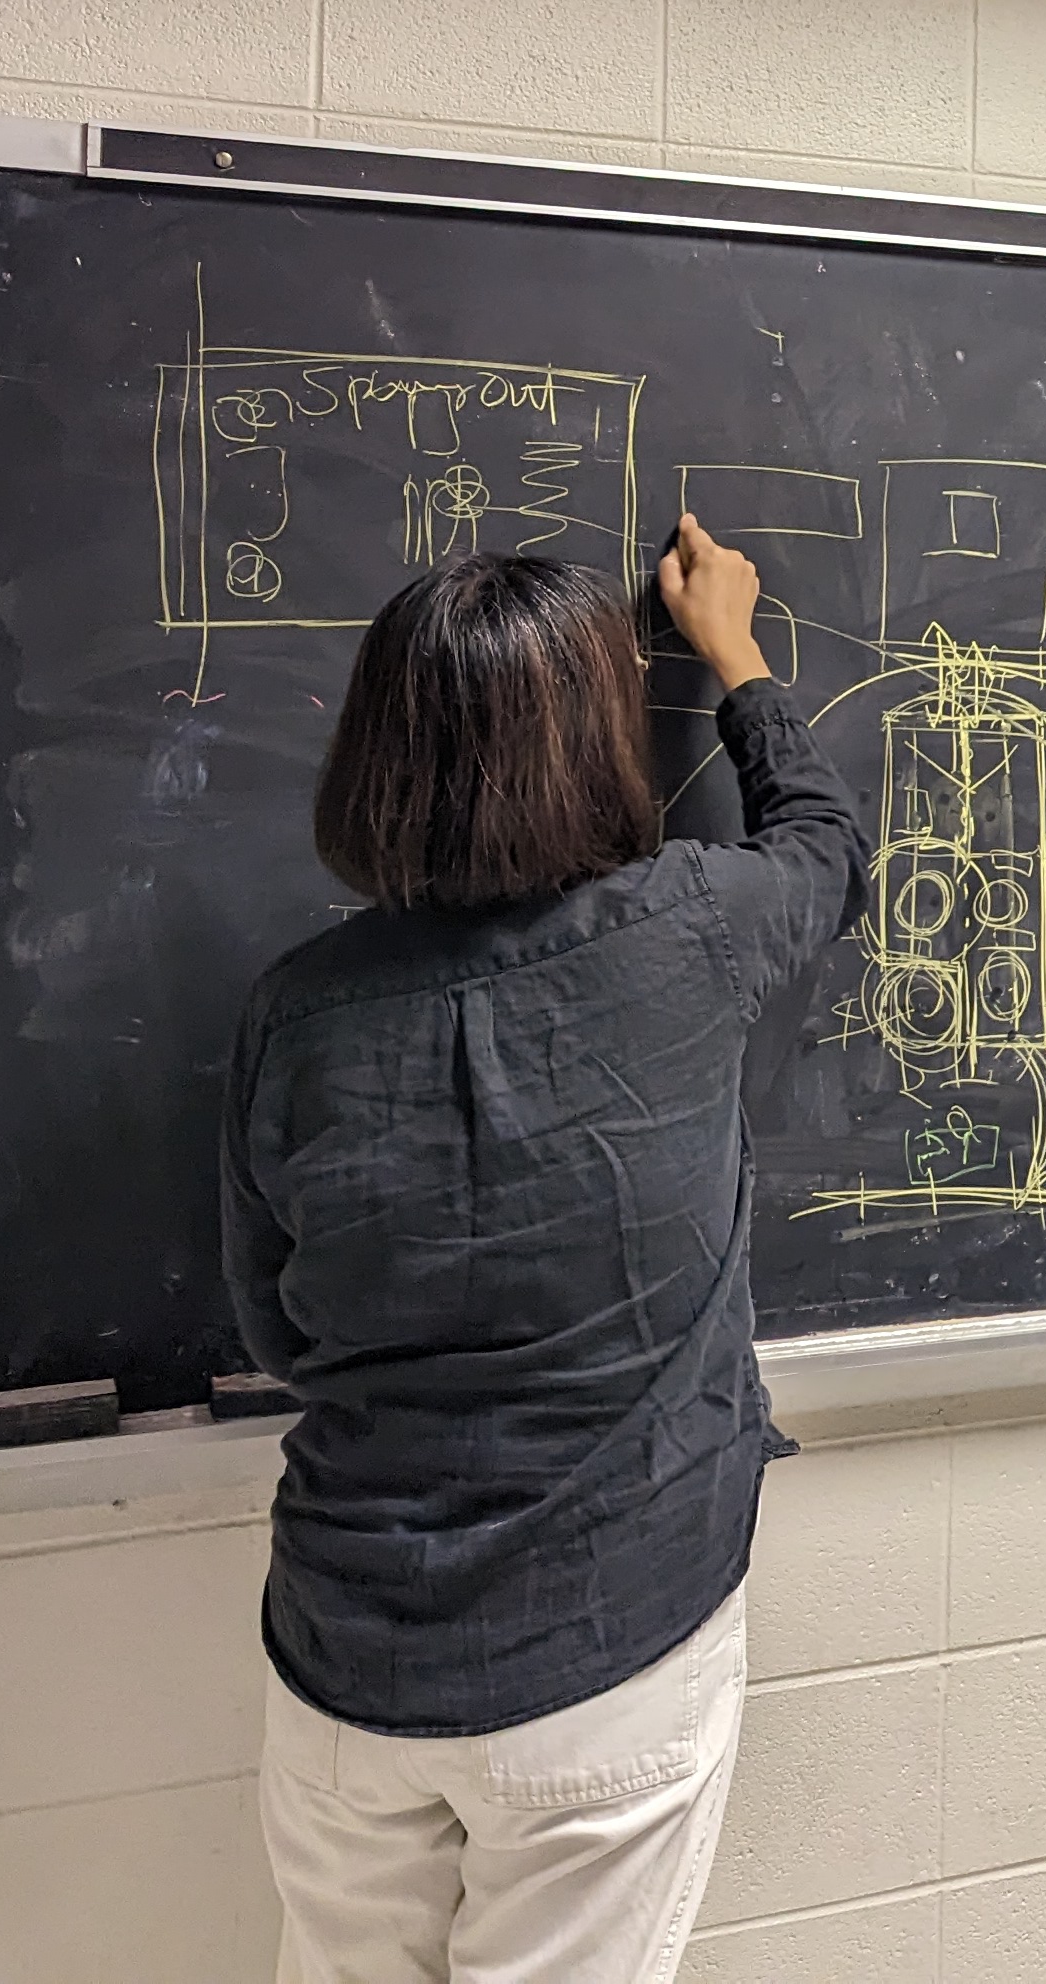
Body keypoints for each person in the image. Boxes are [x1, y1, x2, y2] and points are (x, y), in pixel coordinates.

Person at [225, 523, 869, 1984]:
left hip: (346, 1652)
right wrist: (739, 660)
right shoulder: (689, 929)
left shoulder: (295, 1014)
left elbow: (276, 1322)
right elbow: (824, 851)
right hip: (607, 1639)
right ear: (594, 745)